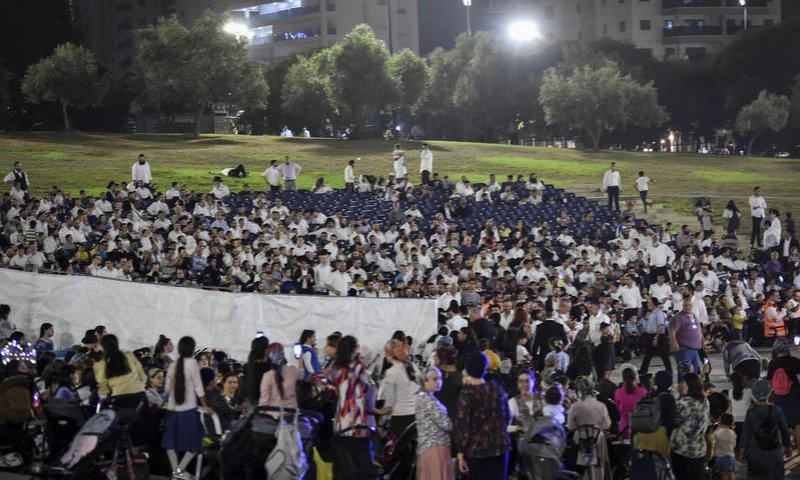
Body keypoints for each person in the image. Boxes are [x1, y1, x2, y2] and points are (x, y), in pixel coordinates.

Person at [162, 336, 214, 480]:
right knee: (195, 442)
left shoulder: (173, 364)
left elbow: (166, 389)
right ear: (191, 349)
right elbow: (199, 387)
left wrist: (165, 396)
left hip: (172, 410)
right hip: (188, 411)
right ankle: (179, 471)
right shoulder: (192, 364)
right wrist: (205, 405)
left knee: (170, 443)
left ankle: (176, 472)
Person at [455, 351, 510, 479]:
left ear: (467, 369)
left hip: (476, 451)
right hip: (499, 448)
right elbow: (507, 416)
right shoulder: (497, 388)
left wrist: (461, 454)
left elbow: (462, 427)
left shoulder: (467, 393)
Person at [738, 379, 792, 480]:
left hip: (754, 452)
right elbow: (785, 431)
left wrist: (742, 450)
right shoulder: (777, 410)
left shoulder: (751, 412)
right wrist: (788, 445)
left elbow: (746, 433)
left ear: (754, 394)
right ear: (770, 393)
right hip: (773, 452)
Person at [566, 376, 611, 479]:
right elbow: (607, 425)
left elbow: (571, 426)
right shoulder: (601, 405)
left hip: (582, 440)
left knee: (585, 470)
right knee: (598, 469)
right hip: (598, 440)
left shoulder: (575, 406)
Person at [414, 366, 454, 480]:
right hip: (434, 448)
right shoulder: (426, 400)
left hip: (434, 447)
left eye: (440, 378)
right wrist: (450, 421)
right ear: (425, 381)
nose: (439, 382)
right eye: (435, 379)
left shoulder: (427, 397)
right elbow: (446, 424)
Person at [670, 373, 710, 480]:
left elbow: (673, 421)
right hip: (699, 450)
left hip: (683, 451)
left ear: (689, 385)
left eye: (683, 382)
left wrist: (676, 395)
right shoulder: (705, 401)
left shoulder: (685, 403)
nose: (681, 384)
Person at [376, 339, 420, 435]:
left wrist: (380, 424)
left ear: (389, 354)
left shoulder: (391, 372)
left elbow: (389, 404)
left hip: (400, 418)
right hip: (415, 417)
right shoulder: (413, 367)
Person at [766, 337, 800, 448]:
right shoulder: (794, 361)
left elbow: (769, 381)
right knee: (797, 422)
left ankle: (785, 447)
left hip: (778, 396)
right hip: (794, 393)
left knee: (781, 421)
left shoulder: (772, 363)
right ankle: (798, 445)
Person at [669, 298, 704, 379]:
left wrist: (702, 340)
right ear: (682, 306)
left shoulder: (694, 316)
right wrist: (674, 342)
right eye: (686, 305)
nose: (688, 307)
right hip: (684, 349)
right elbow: (672, 331)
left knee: (695, 371)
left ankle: (693, 388)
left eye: (689, 305)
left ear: (692, 306)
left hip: (694, 349)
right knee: (684, 372)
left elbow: (698, 329)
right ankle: (683, 389)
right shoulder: (678, 317)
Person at [258, 343, 299, 410]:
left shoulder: (267, 376)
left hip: (273, 414)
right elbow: (307, 375)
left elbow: (264, 402)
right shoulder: (293, 370)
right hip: (292, 412)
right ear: (283, 354)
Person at [639, 298, 672, 375]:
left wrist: (656, 338)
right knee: (648, 354)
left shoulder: (659, 313)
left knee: (663, 354)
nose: (647, 304)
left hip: (658, 335)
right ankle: (643, 369)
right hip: (650, 335)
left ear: (653, 304)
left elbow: (660, 325)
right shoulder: (651, 313)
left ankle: (669, 369)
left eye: (649, 303)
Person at [615, 367, 647, 438]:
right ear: (635, 377)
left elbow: (619, 410)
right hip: (641, 426)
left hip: (624, 427)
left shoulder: (618, 392)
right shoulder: (643, 391)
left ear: (623, 379)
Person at [713, 413, 737, 480]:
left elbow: (713, 444)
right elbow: (734, 445)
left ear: (720, 421)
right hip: (730, 457)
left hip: (719, 457)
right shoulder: (732, 433)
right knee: (731, 474)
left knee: (721, 475)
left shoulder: (716, 433)